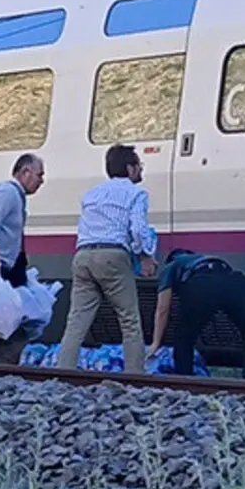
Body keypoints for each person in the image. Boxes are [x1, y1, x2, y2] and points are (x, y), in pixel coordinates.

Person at [56, 144, 158, 373]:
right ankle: (135, 376)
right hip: (113, 255)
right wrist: (146, 256)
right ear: (130, 168)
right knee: (129, 320)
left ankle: (62, 372)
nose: (140, 170)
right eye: (139, 166)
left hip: (82, 256)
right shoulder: (136, 193)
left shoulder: (92, 194)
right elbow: (139, 230)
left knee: (76, 321)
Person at [146, 249, 245, 380]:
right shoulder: (208, 258)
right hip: (237, 282)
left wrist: (156, 343)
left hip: (202, 285)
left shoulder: (171, 265)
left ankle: (185, 382)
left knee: (184, 339)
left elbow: (163, 308)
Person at [0, 152, 46, 364]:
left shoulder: (16, 196)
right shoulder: (7, 192)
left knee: (1, 321)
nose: (41, 181)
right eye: (39, 175)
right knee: (1, 322)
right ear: (25, 172)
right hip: (1, 267)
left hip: (10, 267)